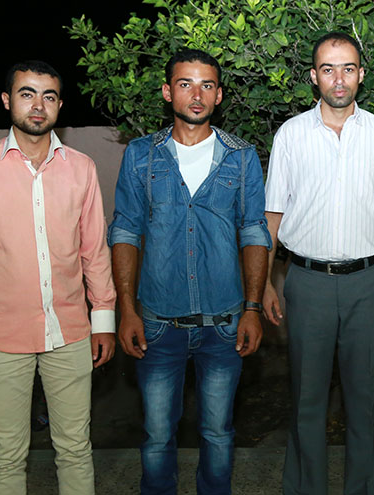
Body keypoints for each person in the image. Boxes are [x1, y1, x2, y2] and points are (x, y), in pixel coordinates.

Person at [0, 60, 116, 494]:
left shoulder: (81, 167)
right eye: (27, 94)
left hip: (70, 332)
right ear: (7, 101)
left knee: (76, 449)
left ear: (59, 106)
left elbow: (94, 250)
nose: (38, 105)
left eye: (49, 96)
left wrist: (103, 319)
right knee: (6, 457)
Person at [108, 48, 271, 494]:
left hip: (225, 323)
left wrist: (253, 308)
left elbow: (254, 231)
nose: (196, 95)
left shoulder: (241, 157)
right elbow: (125, 231)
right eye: (185, 84)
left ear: (219, 95)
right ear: (168, 92)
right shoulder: (141, 155)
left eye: (206, 85)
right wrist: (127, 309)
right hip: (158, 323)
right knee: (157, 436)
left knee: (218, 434)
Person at [263, 32, 374, 495]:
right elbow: (272, 214)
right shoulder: (291, 135)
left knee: (364, 402)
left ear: (361, 74)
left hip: (367, 282)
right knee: (306, 401)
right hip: (306, 283)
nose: (339, 78)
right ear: (314, 76)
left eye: (348, 68)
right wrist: (263, 283)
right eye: (328, 69)